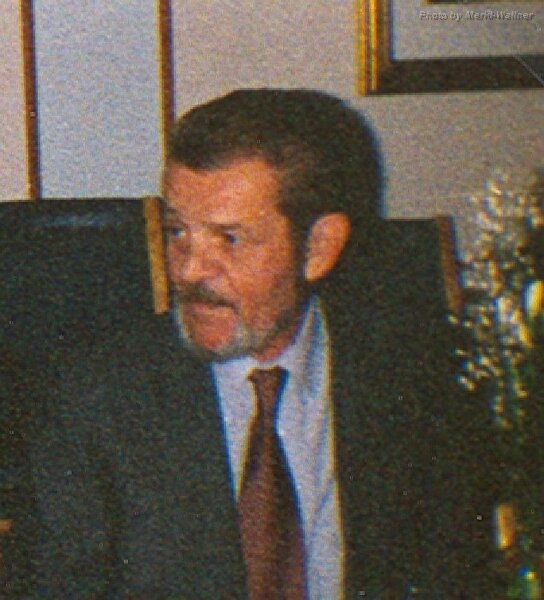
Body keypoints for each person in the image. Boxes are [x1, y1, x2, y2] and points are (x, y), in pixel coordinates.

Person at [29, 88, 494, 598]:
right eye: (177, 231)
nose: (189, 270)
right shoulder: (96, 401)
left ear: (318, 249)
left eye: (229, 239)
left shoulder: (415, 383)